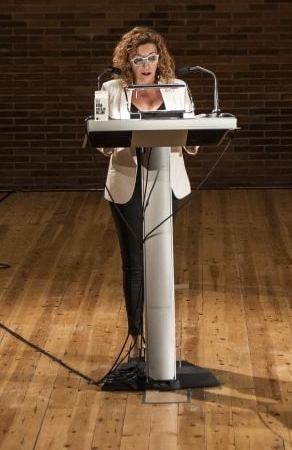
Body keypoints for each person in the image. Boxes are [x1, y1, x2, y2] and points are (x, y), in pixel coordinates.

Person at [99, 26, 197, 359]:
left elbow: (193, 134)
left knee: (160, 258)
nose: (146, 65)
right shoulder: (112, 89)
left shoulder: (177, 88)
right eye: (138, 59)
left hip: (167, 180)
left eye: (151, 58)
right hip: (127, 181)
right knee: (135, 261)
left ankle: (162, 337)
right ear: (127, 61)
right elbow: (102, 141)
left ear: (160, 59)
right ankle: (136, 336)